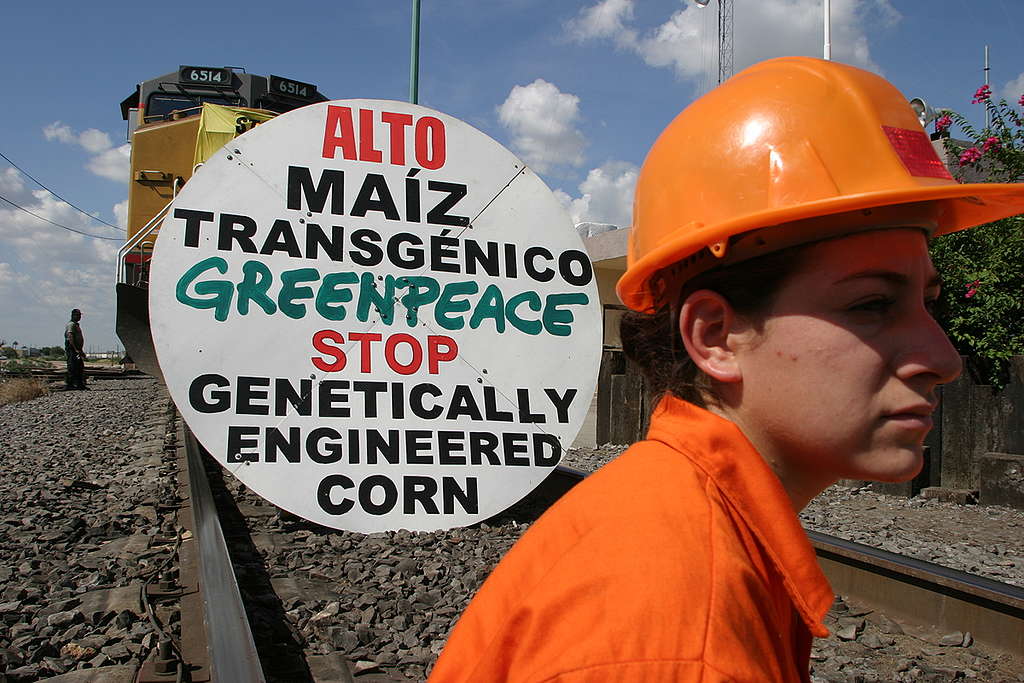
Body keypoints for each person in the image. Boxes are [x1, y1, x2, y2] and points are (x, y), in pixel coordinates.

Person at [428, 57, 1024, 682]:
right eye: (872, 303)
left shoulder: (673, 510)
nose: (944, 360)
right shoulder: (685, 633)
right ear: (715, 337)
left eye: (926, 304)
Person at [65, 308, 87, 390]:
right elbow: (70, 336)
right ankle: (70, 385)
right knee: (72, 366)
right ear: (73, 315)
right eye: (78, 315)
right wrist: (75, 349)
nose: (79, 317)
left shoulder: (76, 325)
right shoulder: (71, 325)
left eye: (80, 315)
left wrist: (80, 350)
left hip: (77, 348)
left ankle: (79, 384)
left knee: (79, 366)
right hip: (72, 348)